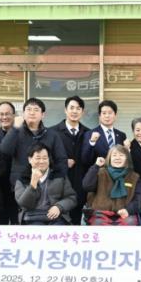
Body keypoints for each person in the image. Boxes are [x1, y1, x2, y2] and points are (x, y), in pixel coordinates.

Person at [0, 98, 69, 191]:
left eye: (36, 110)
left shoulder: (52, 135)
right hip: (21, 185)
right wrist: (15, 128)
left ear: (42, 115)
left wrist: (57, 181)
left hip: (47, 186)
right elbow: (4, 151)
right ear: (23, 114)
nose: (32, 113)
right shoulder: (16, 132)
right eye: (29, 109)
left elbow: (61, 160)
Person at [50, 96, 90, 225]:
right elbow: (45, 157)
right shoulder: (52, 132)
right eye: (71, 108)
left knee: (76, 223)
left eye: (78, 108)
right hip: (58, 184)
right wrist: (62, 163)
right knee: (57, 223)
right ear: (65, 110)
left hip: (80, 185)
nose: (74, 111)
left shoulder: (88, 133)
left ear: (82, 112)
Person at [15, 143, 77, 226]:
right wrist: (33, 184)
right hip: (32, 218)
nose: (41, 161)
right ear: (30, 159)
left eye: (45, 158)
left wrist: (59, 207)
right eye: (38, 158)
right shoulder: (23, 179)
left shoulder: (59, 175)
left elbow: (71, 198)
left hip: (57, 218)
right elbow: (24, 204)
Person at [82, 144, 141, 226]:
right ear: (109, 158)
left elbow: (139, 199)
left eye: (121, 155)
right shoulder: (100, 172)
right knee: (98, 223)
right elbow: (87, 186)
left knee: (130, 222)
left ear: (127, 159)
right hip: (100, 214)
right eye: (114, 155)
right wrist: (96, 166)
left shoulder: (134, 177)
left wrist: (128, 210)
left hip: (125, 214)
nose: (117, 158)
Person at [81, 100, 126, 168]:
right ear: (99, 116)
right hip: (99, 173)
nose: (107, 116)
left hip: (118, 173)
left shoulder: (121, 135)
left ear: (115, 115)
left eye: (110, 113)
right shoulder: (89, 134)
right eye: (104, 113)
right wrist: (92, 142)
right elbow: (85, 160)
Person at [0, 101, 17, 225]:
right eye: (1, 114)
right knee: (0, 226)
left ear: (14, 115)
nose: (4, 117)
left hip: (17, 188)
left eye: (7, 114)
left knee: (17, 226)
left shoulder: (22, 132)